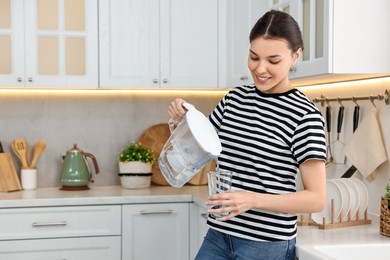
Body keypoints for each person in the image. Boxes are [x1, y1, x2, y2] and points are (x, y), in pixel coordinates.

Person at [168, 10, 326, 260]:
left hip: (266, 245)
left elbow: (316, 199)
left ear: (296, 56)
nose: (260, 69)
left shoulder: (304, 115)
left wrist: (252, 200)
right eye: (254, 57)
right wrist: (182, 120)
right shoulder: (235, 99)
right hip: (218, 235)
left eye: (273, 60)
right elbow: (199, 148)